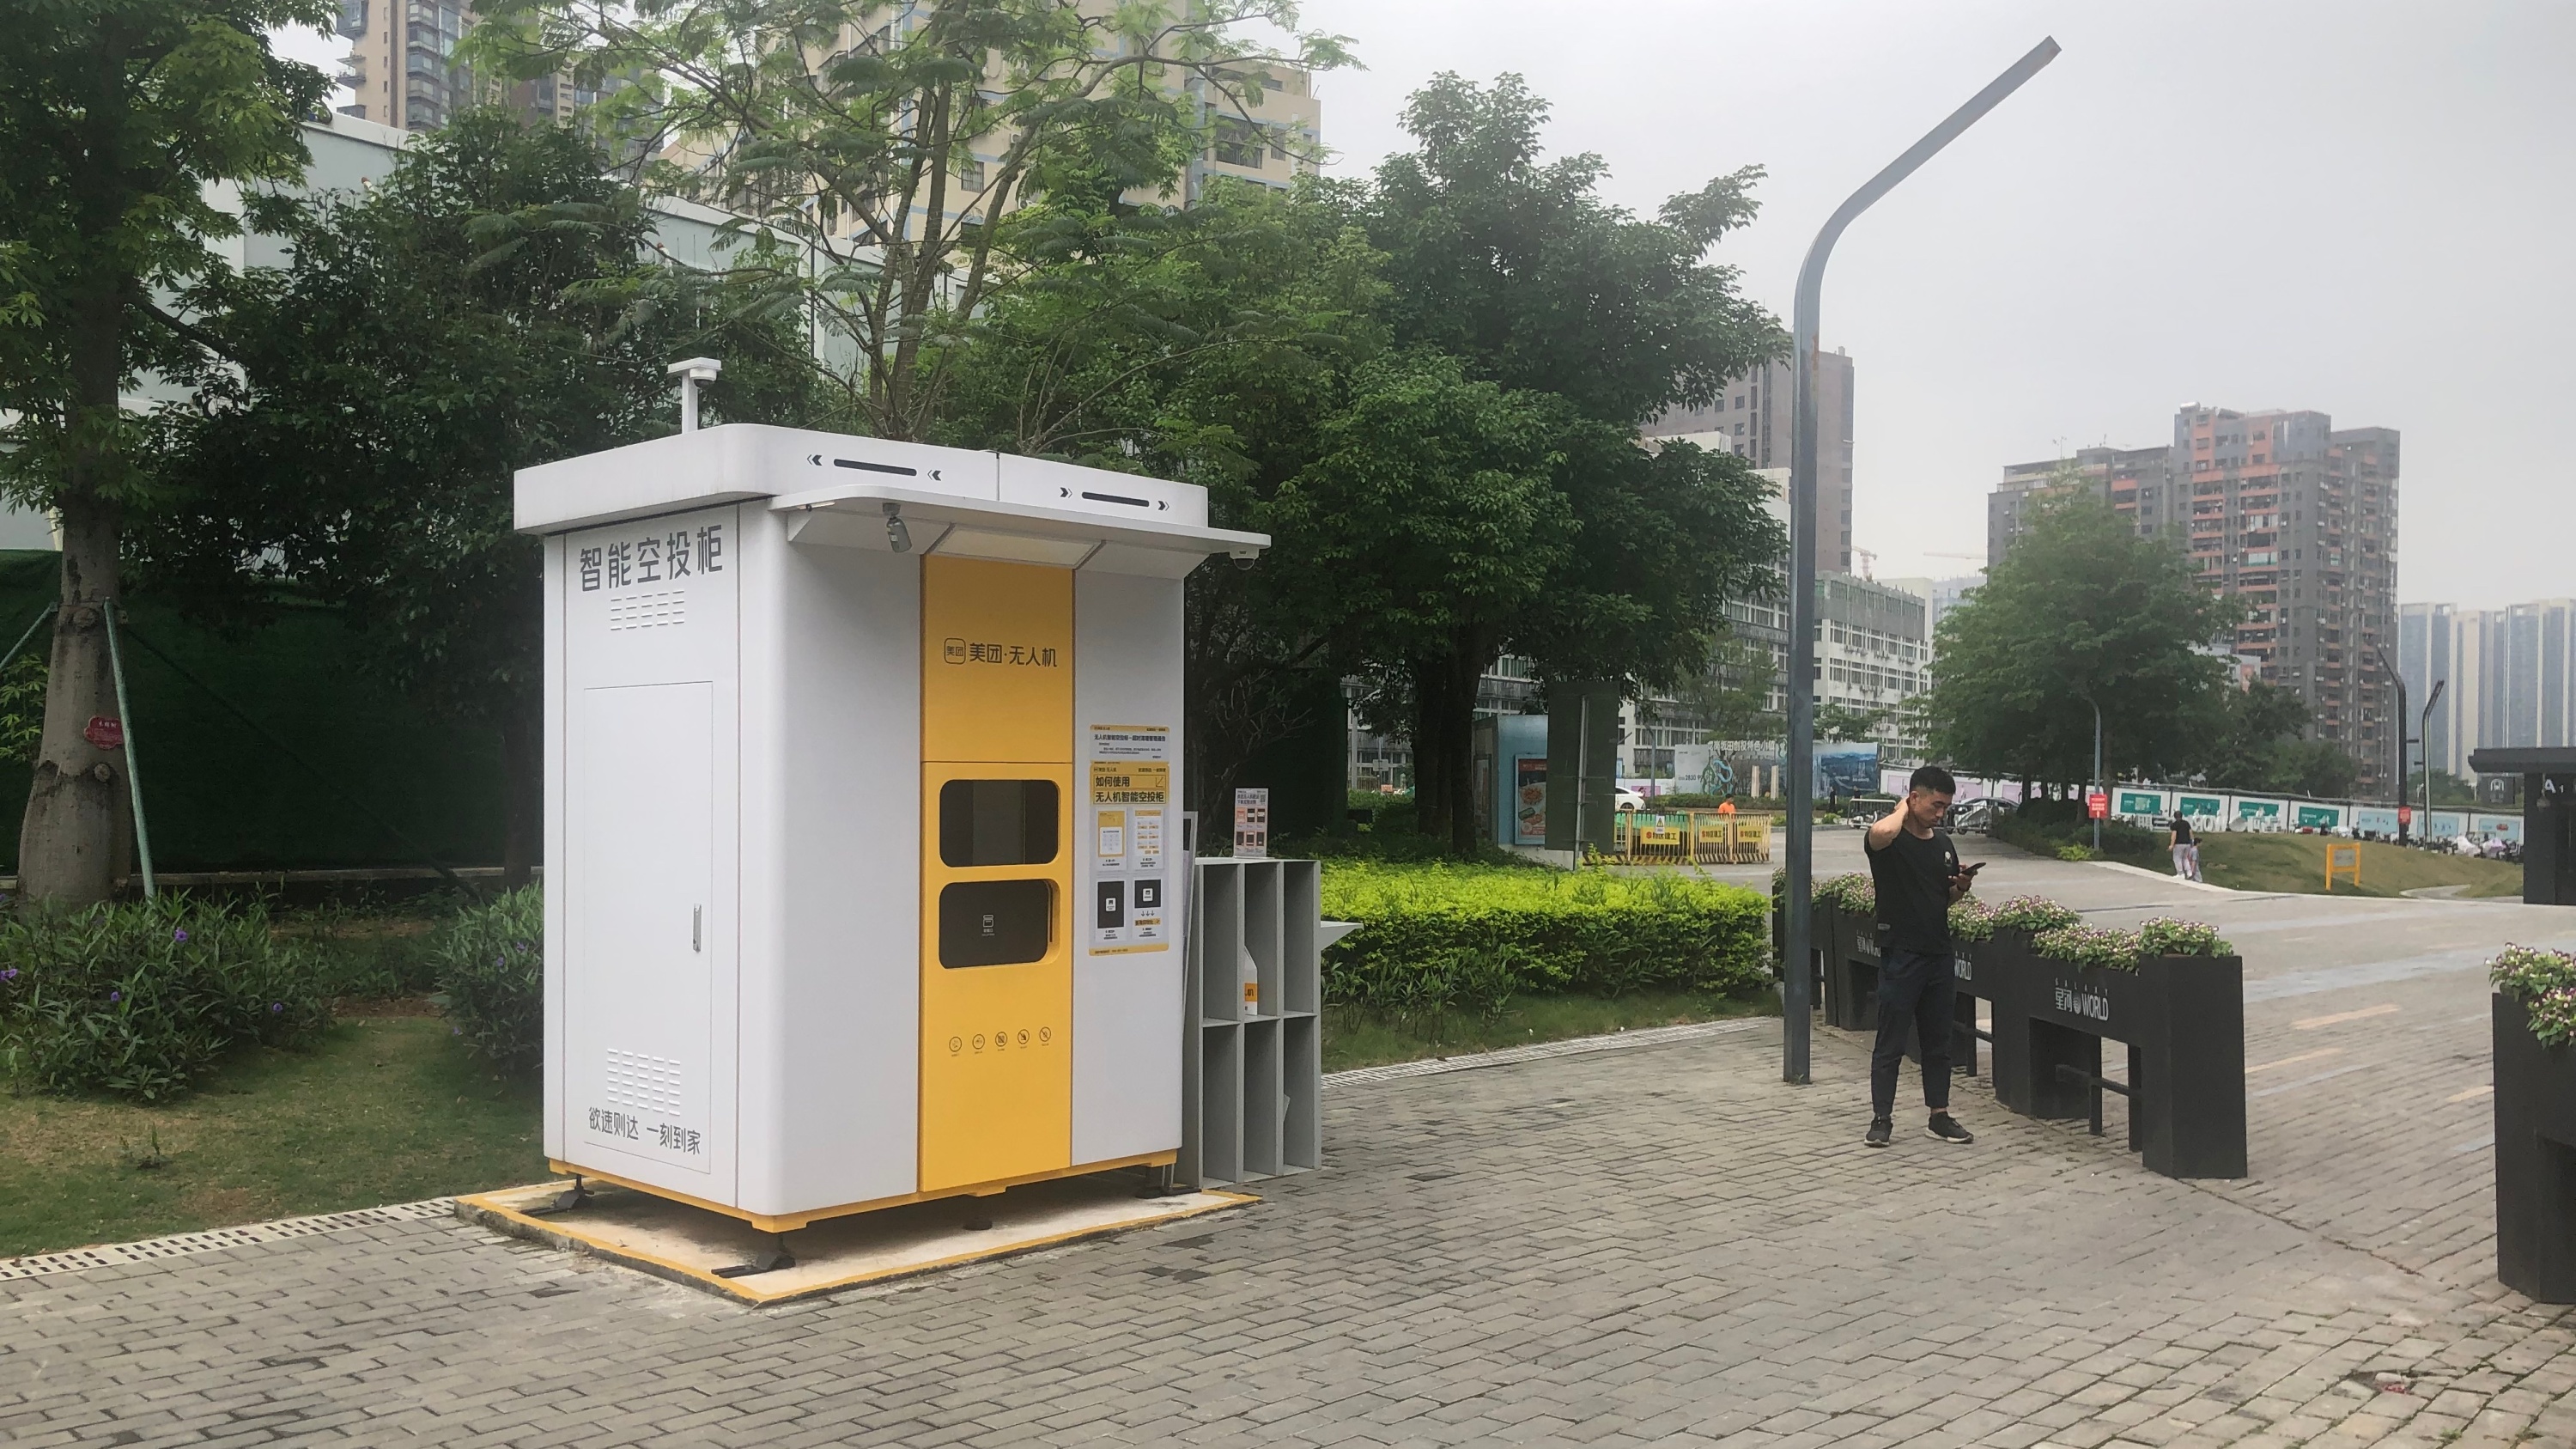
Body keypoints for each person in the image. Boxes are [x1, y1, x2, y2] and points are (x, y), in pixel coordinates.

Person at [1861, 764, 1978, 1148]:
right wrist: (1900, 809)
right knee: (1891, 1040)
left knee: (1938, 1042)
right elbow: (1879, 833)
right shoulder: (1889, 841)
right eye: (1935, 805)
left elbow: (1944, 899)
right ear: (1914, 798)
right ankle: (1882, 1118)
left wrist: (1960, 886)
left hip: (1939, 954)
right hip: (1901, 954)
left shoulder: (1943, 844)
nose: (1940, 814)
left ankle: (1939, 1115)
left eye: (1945, 807)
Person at [2167, 813, 2201, 882]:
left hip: (2179, 844)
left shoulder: (2175, 824)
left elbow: (2174, 835)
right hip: (2187, 844)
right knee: (2185, 858)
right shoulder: (2186, 823)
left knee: (2177, 858)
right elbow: (2191, 833)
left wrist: (2171, 845)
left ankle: (2180, 873)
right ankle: (2189, 872)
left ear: (2175, 817)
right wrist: (2192, 842)